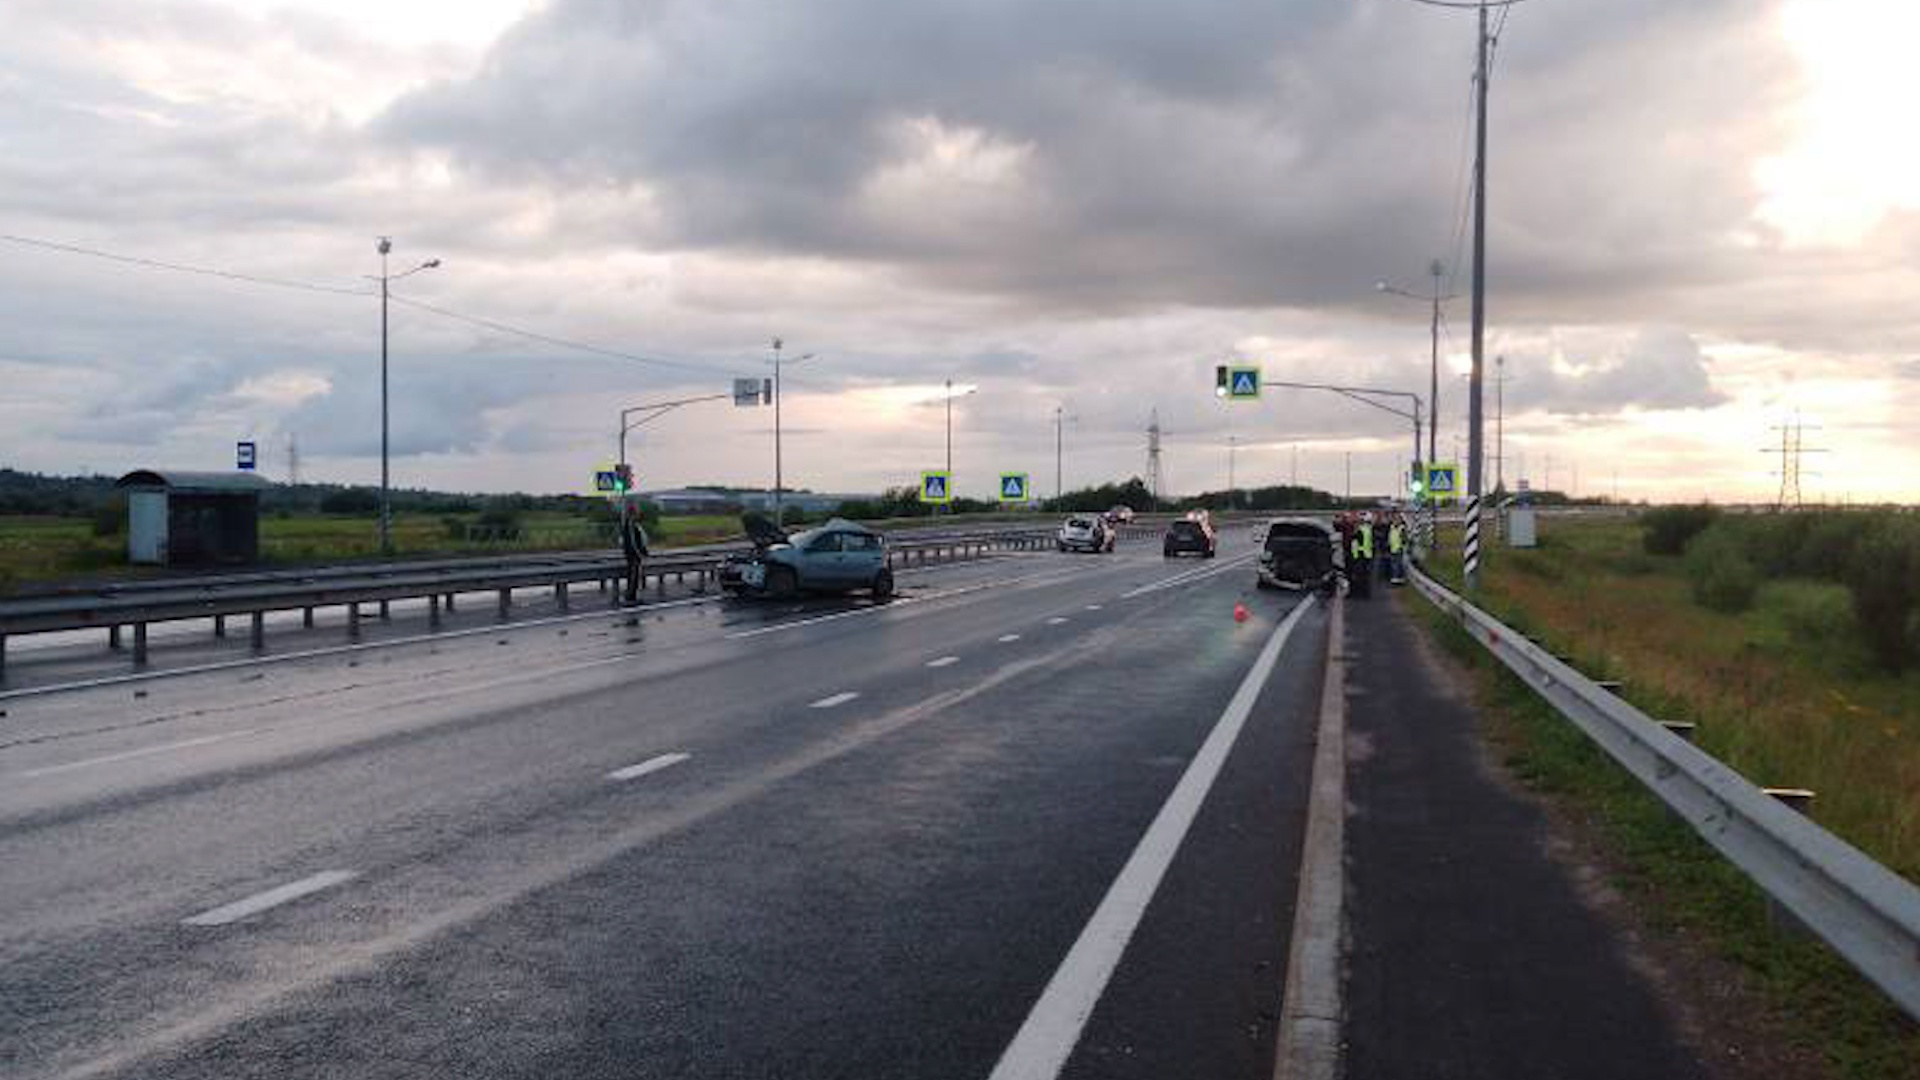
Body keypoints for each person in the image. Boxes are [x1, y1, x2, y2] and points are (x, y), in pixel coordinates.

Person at [619, 499, 651, 604]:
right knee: (634, 576)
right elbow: (633, 542)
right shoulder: (631, 525)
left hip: (634, 555)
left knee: (635, 576)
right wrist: (640, 553)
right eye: (637, 511)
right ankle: (631, 596)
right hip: (633, 555)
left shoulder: (632, 524)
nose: (639, 513)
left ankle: (632, 595)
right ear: (633, 513)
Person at [1348, 513, 1374, 599]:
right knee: (1364, 576)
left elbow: (1358, 543)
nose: (1355, 524)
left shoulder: (1361, 530)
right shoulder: (1368, 529)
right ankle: (1364, 594)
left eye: (1357, 522)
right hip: (1365, 554)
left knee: (1360, 576)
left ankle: (1361, 594)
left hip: (1360, 555)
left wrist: (1356, 555)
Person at [1388, 512, 1408, 585]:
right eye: (1395, 519)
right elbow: (1391, 537)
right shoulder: (1392, 527)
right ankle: (1395, 577)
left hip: (1399, 548)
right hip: (1392, 548)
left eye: (1397, 519)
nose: (1395, 521)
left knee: (1398, 564)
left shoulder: (1402, 528)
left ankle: (1399, 578)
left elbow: (1404, 539)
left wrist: (1402, 546)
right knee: (1394, 564)